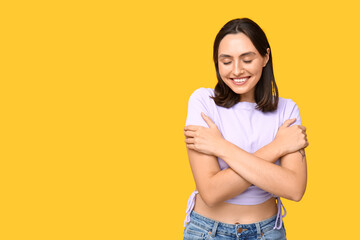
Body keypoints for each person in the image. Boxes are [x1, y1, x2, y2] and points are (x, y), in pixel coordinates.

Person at [183, 18, 308, 240]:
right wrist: (277, 147)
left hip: (268, 232)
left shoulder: (287, 110)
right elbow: (211, 192)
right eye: (226, 61)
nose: (237, 70)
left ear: (265, 57)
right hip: (208, 232)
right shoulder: (202, 102)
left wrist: (220, 147)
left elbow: (294, 189)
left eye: (247, 59)